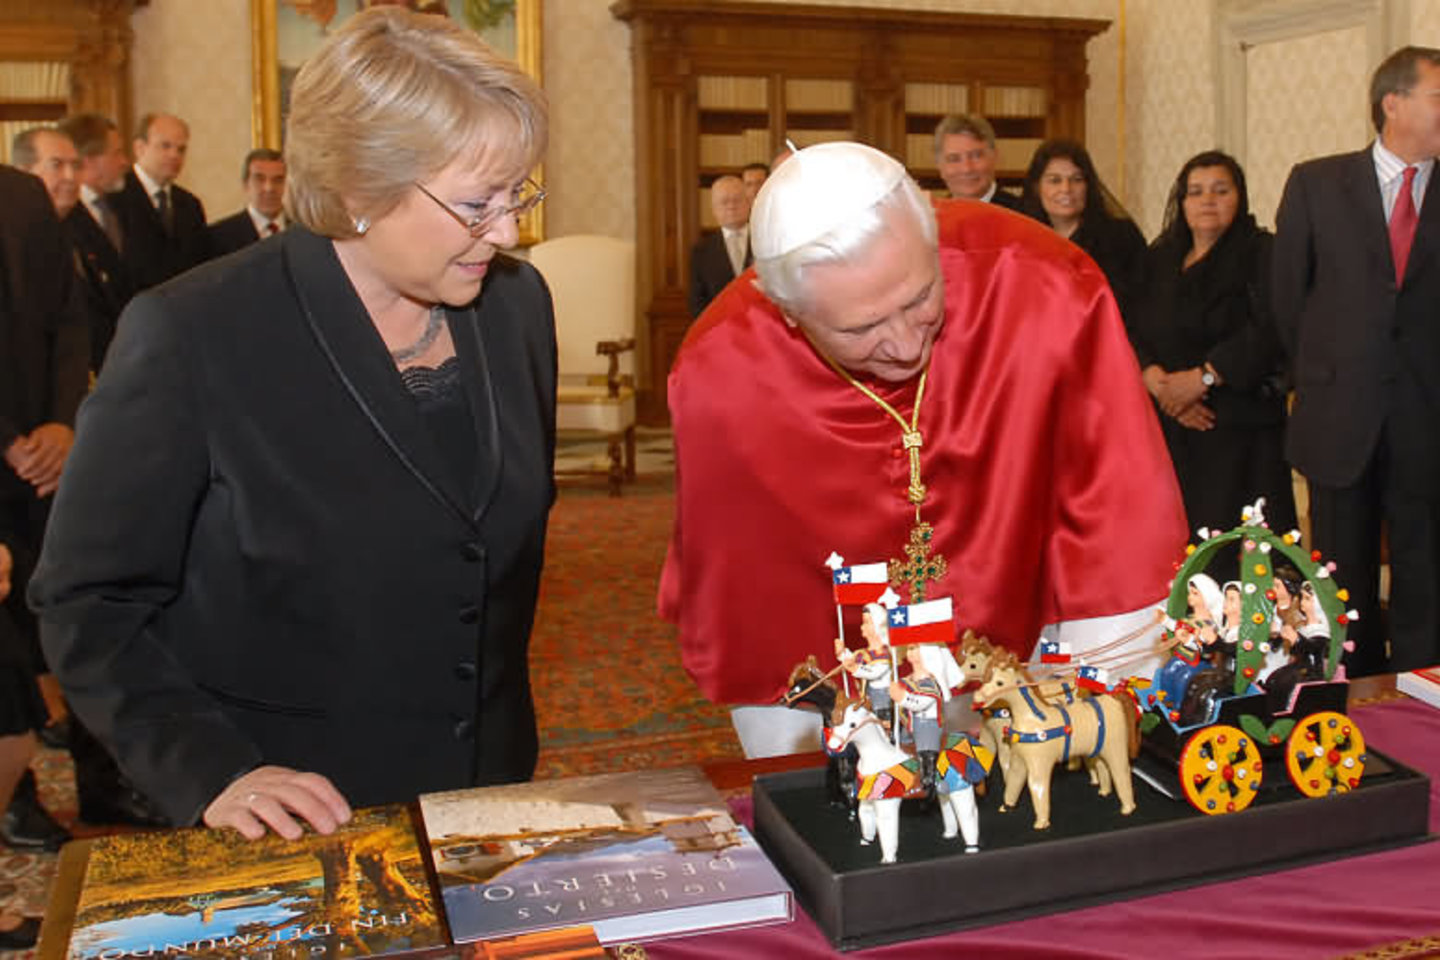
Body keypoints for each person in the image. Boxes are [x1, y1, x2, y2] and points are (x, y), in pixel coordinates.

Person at [31, 6, 556, 841]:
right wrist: (211, 771)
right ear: (358, 189)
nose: (509, 228)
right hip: (293, 814)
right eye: (475, 203)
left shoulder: (516, 305)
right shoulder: (194, 331)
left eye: (517, 192)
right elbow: (87, 598)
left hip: (485, 793)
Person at [659, 142, 1186, 756]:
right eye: (861, 329)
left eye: (919, 300)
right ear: (790, 314)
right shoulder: (719, 372)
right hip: (852, 662)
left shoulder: (1042, 281)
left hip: (1032, 640)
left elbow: (1116, 514)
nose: (906, 345)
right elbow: (746, 589)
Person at [1272, 46, 1440, 676]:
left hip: (1427, 415)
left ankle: (1426, 701)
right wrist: (1327, 376)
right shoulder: (1318, 183)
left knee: (1426, 572)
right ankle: (1354, 700)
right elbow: (1289, 299)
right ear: (1392, 103)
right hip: (1339, 414)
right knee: (1344, 578)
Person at [1129, 151, 1297, 545]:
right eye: (1196, 192)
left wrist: (1204, 377)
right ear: (1181, 201)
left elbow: (1270, 328)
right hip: (1169, 426)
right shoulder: (1159, 257)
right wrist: (1155, 380)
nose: (1207, 201)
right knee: (1174, 548)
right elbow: (1131, 325)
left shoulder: (1262, 253)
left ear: (1239, 197)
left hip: (1240, 427)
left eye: (1220, 190)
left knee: (1244, 558)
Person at [0, 163, 86, 863]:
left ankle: (101, 779)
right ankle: (19, 799)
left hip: (44, 460)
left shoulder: (22, 192)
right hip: (10, 450)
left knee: (54, 623)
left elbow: (67, 316)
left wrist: (63, 423)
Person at [1020, 139, 1147, 326]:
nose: (1066, 189)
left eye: (1077, 179)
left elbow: (1140, 304)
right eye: (1055, 180)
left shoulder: (1121, 236)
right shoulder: (1022, 240)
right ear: (1037, 188)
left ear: (1089, 185)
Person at [57, 113, 133, 371]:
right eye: (117, 153)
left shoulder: (120, 208)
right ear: (89, 162)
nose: (125, 162)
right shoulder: (64, 215)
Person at [109, 112, 210, 291]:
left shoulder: (190, 204)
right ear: (140, 148)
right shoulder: (116, 196)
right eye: (165, 146)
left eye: (181, 149)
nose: (174, 155)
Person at [688, 174, 752, 318]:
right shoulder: (701, 251)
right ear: (714, 208)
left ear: (748, 203)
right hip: (720, 331)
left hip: (762, 331)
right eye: (724, 201)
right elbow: (697, 303)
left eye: (737, 200)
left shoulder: (765, 243)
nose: (731, 206)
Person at [210, 148, 288, 256]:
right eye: (259, 179)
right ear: (246, 184)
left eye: (278, 180)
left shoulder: (304, 232)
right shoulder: (218, 236)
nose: (269, 188)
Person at [933, 114, 1020, 209]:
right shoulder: (929, 218)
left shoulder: (1024, 215)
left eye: (976, 156)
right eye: (954, 159)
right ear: (939, 165)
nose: (966, 169)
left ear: (995, 157)